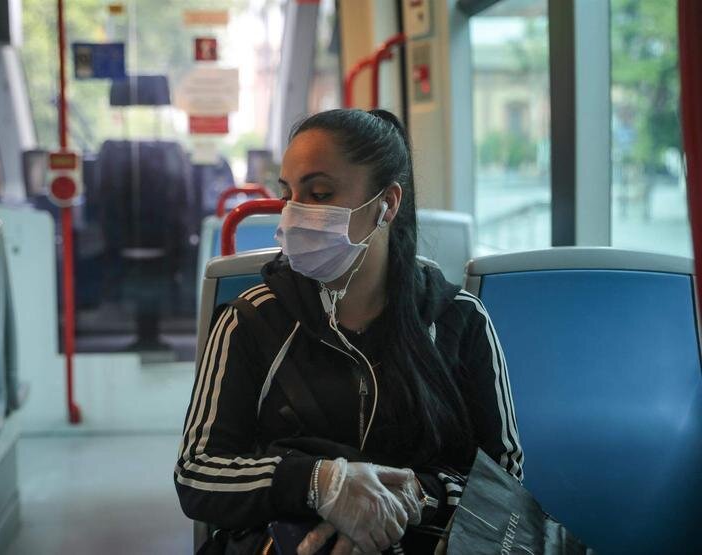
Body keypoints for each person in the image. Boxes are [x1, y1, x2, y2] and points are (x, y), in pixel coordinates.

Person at [175, 109, 523, 554]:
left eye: (319, 193)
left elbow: (505, 480)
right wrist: (322, 484)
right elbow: (198, 472)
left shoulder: (459, 320)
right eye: (288, 194)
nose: (295, 212)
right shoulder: (252, 321)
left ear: (387, 204)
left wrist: (407, 499)